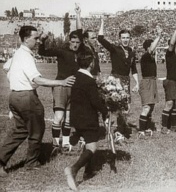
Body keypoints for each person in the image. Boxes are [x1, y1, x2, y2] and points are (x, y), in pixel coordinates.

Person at [0, 26, 75, 177]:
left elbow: (6, 67)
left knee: (20, 130)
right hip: (26, 97)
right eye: (35, 38)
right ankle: (32, 163)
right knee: (37, 130)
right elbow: (37, 79)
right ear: (26, 39)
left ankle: (1, 161)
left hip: (15, 96)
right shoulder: (26, 56)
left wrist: (15, 80)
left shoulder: (18, 54)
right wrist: (61, 82)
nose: (37, 41)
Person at [64, 50, 109, 191]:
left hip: (76, 117)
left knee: (88, 142)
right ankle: (73, 169)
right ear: (91, 63)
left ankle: (89, 170)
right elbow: (95, 101)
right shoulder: (89, 81)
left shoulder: (75, 77)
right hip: (88, 118)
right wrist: (105, 110)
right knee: (92, 147)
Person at [38, 21, 81, 152]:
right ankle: (55, 144)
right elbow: (43, 52)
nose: (75, 44)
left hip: (73, 88)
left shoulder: (80, 54)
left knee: (68, 118)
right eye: (73, 42)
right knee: (59, 117)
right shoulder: (62, 51)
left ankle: (66, 143)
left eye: (77, 42)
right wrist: (42, 40)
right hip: (60, 86)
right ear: (69, 41)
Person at [97, 18, 139, 139]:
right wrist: (102, 23)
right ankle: (109, 130)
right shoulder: (115, 49)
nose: (126, 40)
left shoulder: (131, 51)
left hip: (126, 81)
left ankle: (119, 132)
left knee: (126, 107)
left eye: (127, 38)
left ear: (130, 39)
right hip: (115, 80)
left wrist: (137, 83)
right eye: (123, 38)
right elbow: (100, 39)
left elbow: (134, 69)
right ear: (120, 39)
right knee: (112, 106)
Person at [138, 26, 162, 138]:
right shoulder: (146, 56)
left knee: (151, 107)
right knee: (146, 107)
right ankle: (141, 131)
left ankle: (147, 127)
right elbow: (152, 49)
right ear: (148, 47)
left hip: (152, 81)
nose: (155, 48)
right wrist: (159, 36)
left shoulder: (151, 57)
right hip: (147, 82)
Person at [160, 21, 176, 134]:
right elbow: (172, 43)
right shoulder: (170, 53)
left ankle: (173, 125)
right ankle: (164, 127)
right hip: (171, 82)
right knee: (169, 104)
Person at [74, 4, 101, 79]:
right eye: (92, 38)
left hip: (94, 77)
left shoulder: (93, 49)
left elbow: (96, 64)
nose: (95, 40)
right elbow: (79, 31)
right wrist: (78, 14)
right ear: (86, 39)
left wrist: (99, 73)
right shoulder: (82, 47)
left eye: (95, 37)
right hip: (84, 78)